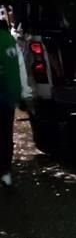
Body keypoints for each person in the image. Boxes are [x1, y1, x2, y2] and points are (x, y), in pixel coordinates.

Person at [0, 10, 31, 188]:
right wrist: (24, 96)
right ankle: (6, 175)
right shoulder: (10, 42)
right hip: (6, 98)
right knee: (5, 136)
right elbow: (20, 72)